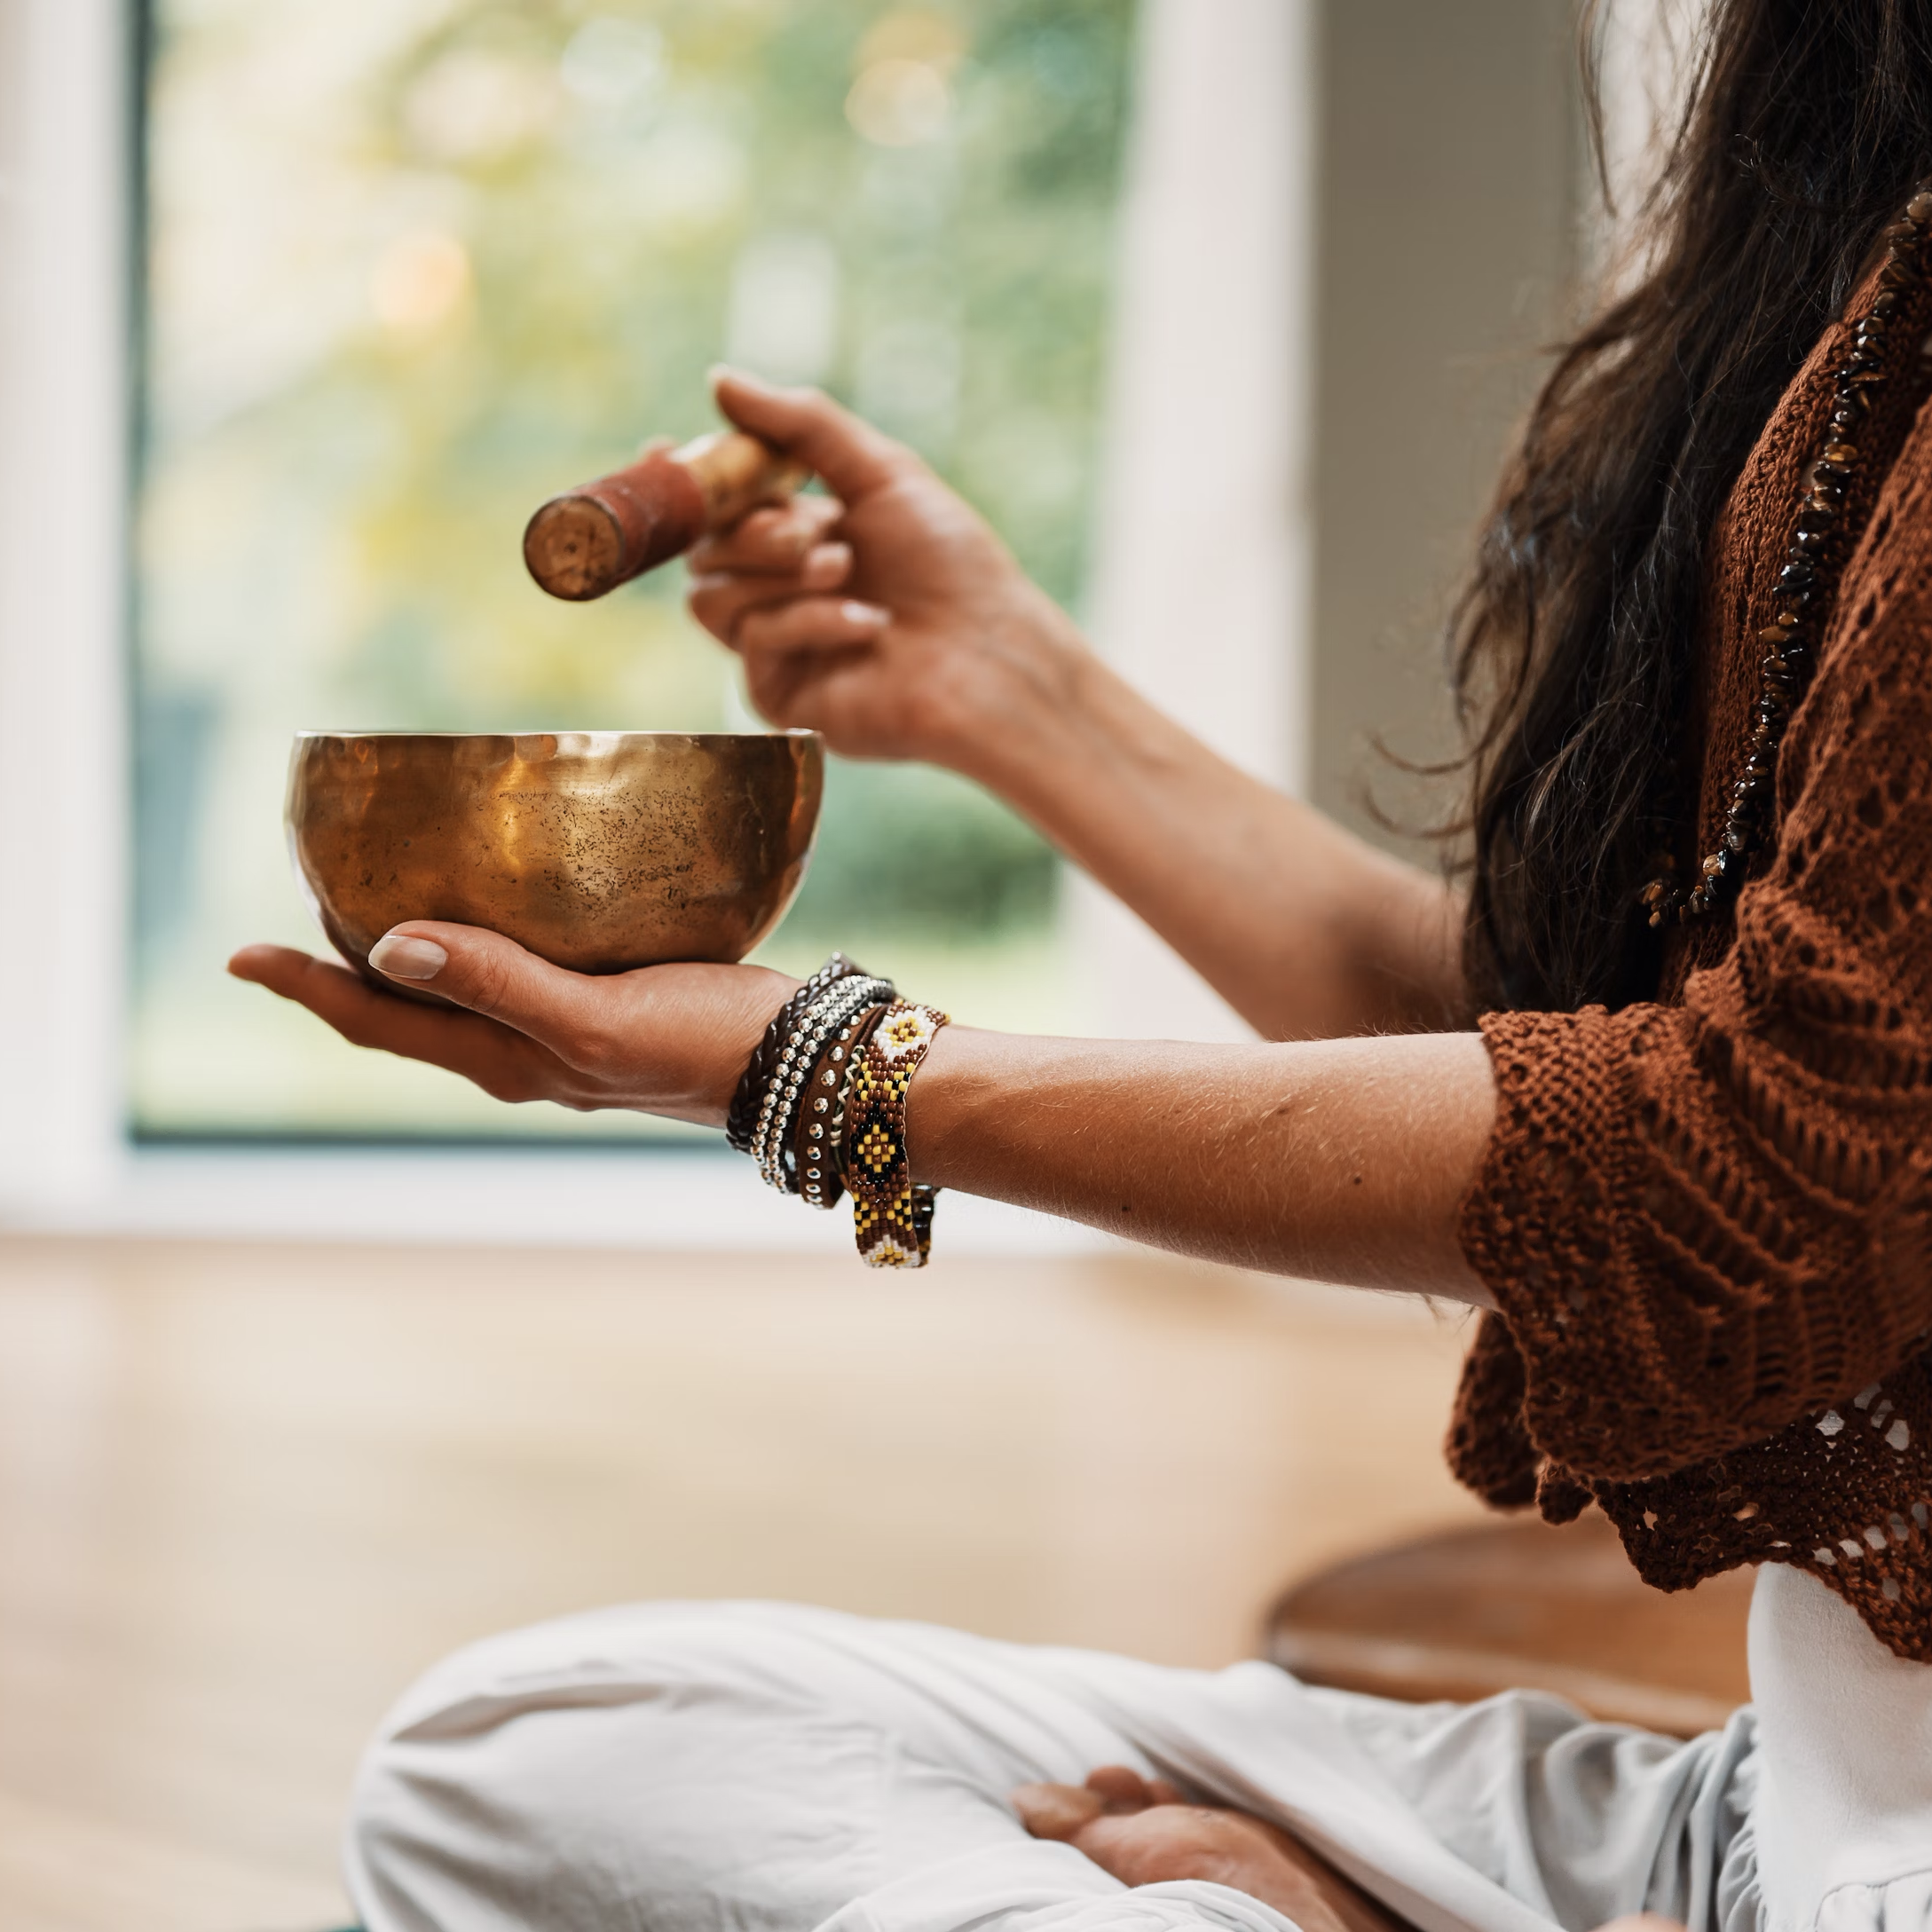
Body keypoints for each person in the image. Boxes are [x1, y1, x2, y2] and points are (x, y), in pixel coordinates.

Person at [230, 3, 1932, 1927]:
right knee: (531, 1750)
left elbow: (1767, 1165)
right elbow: (1566, 1060)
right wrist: (1007, 690)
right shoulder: (1855, 254)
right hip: (1754, 1822)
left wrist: (829, 1071)